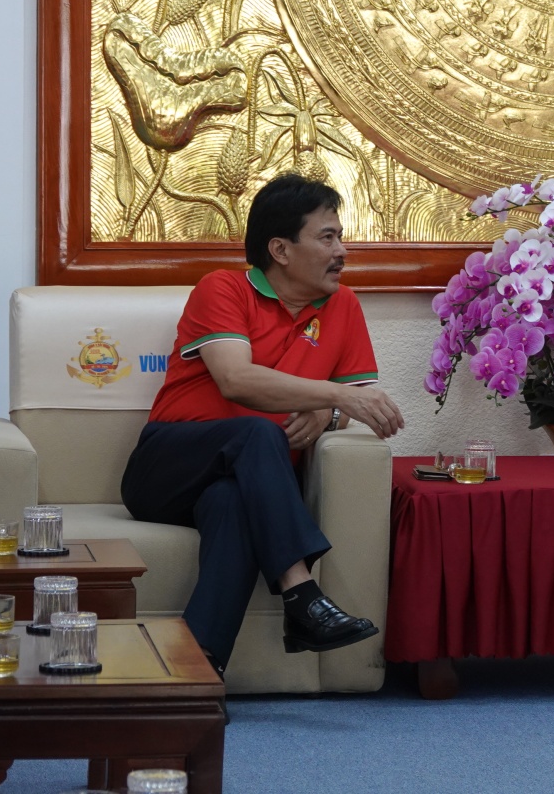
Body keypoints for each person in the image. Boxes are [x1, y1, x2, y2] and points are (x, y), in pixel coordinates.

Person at [121, 174, 406, 679]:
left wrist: (327, 413)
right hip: (167, 469)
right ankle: (302, 593)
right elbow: (236, 380)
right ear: (280, 249)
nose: (342, 251)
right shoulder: (223, 288)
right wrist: (335, 396)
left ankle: (197, 675)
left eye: (340, 237)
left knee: (233, 503)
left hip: (248, 483)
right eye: (327, 238)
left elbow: (348, 406)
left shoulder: (343, 306)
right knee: (258, 431)